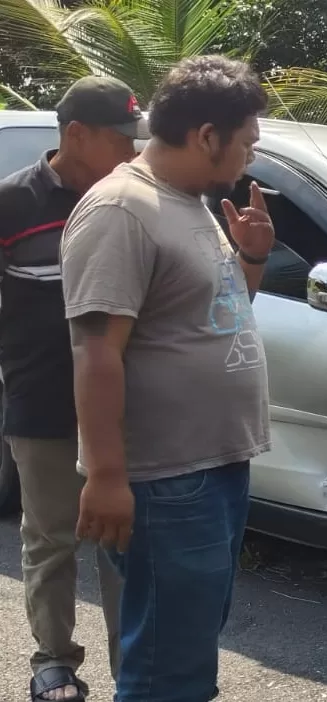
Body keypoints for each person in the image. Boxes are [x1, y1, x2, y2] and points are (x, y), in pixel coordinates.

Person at [60, 55, 273, 702]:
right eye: (244, 144)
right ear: (206, 135)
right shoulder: (123, 211)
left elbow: (218, 315)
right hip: (166, 479)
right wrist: (105, 476)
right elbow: (96, 352)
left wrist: (253, 255)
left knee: (186, 646)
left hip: (214, 465)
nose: (249, 157)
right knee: (165, 669)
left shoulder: (190, 201)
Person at [0, 75, 144, 702]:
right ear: (75, 134)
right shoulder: (12, 205)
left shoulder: (134, 202)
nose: (134, 154)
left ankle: (131, 668)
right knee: (51, 539)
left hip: (120, 406)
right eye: (121, 139)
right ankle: (53, 661)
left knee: (123, 543)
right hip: (41, 401)